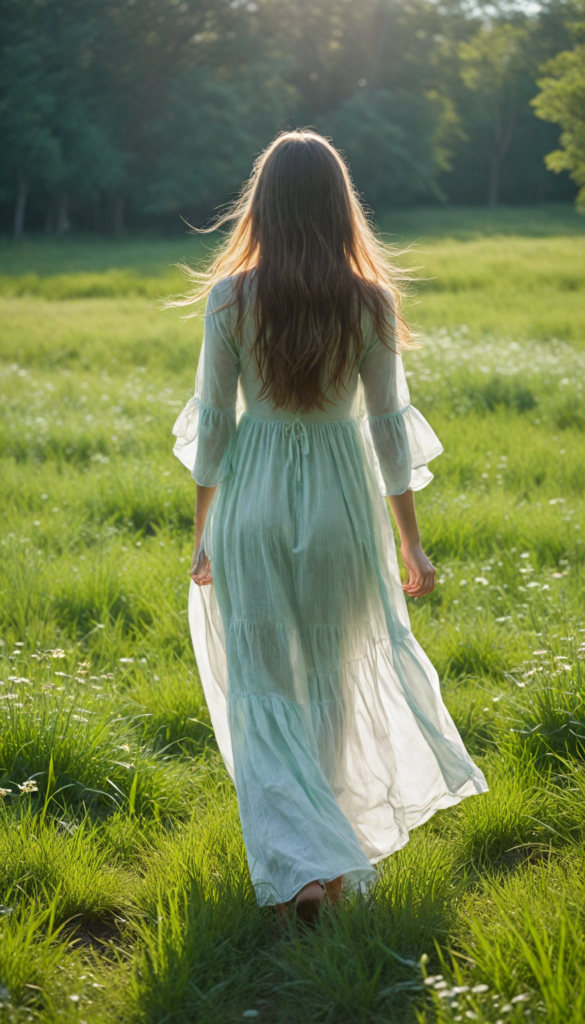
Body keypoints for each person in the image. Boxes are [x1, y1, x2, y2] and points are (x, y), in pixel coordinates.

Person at [171, 130, 487, 923]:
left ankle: (300, 870)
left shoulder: (229, 298)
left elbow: (213, 425)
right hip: (341, 506)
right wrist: (409, 539)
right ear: (339, 204)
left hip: (251, 500)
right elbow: (386, 429)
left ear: (263, 204)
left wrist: (201, 528)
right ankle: (330, 861)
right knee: (335, 680)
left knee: (262, 689)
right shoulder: (369, 300)